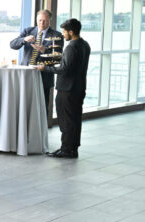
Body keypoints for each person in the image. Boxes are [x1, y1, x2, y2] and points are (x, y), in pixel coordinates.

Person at [38, 18, 90, 159]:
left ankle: (66, 149)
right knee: (75, 119)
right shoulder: (85, 45)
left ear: (71, 32)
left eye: (64, 32)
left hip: (67, 90)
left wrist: (45, 68)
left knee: (66, 120)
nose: (63, 35)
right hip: (79, 88)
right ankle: (73, 149)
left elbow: (64, 69)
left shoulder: (71, 47)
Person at [9, 9, 63, 118]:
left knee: (42, 104)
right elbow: (12, 45)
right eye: (40, 21)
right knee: (24, 102)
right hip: (26, 73)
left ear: (50, 21)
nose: (42, 23)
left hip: (44, 74)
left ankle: (42, 130)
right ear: (36, 20)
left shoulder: (57, 35)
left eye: (45, 21)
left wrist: (44, 50)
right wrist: (24, 39)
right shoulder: (28, 31)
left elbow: (58, 57)